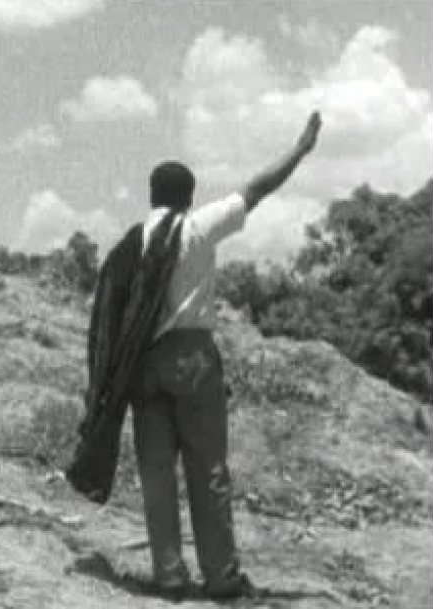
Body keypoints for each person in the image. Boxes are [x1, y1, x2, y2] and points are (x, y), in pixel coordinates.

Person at [67, 112, 323, 601]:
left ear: (151, 196)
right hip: (192, 362)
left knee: (156, 472)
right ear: (187, 196)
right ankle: (222, 578)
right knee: (207, 470)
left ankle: (169, 577)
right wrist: (299, 149)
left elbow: (110, 317)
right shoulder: (198, 227)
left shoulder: (131, 243)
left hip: (142, 369)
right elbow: (257, 189)